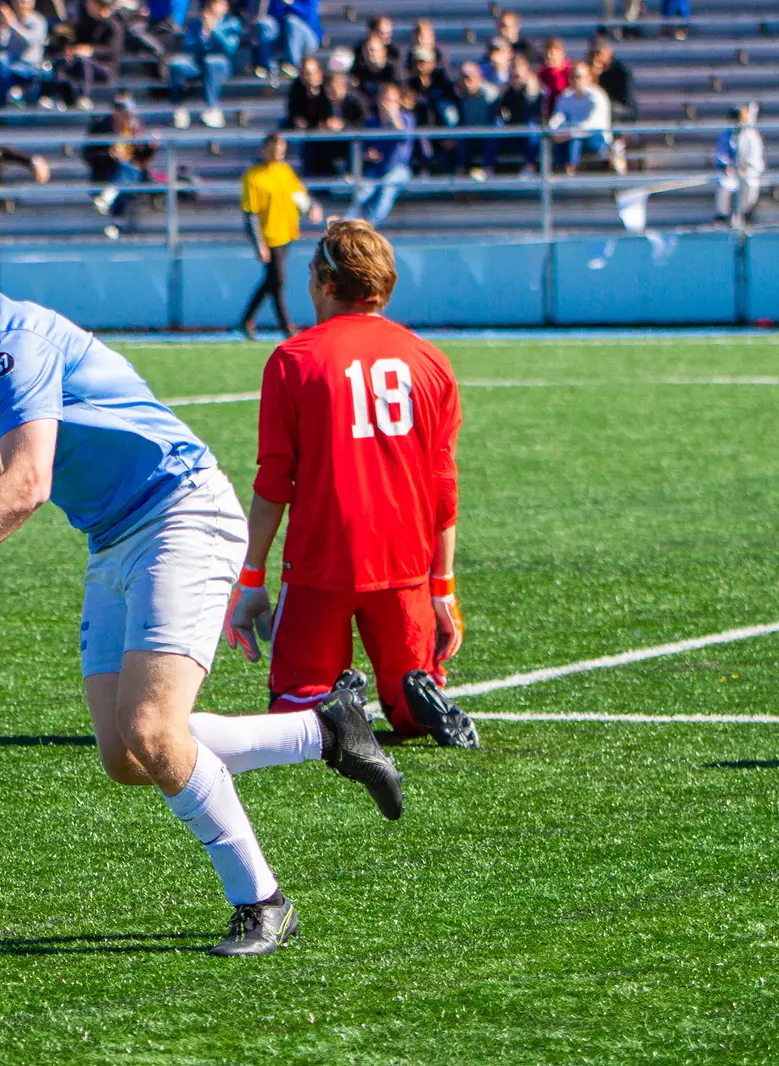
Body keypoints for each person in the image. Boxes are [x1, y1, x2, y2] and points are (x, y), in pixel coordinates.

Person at [0, 193, 403, 957]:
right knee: (126, 754)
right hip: (116, 535)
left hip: (181, 512)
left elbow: (28, 483)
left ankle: (263, 900)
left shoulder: (14, 343)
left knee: (152, 731)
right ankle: (324, 729)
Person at [228, 219, 477, 750]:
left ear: (323, 282)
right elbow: (443, 485)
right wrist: (444, 586)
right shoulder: (430, 360)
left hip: (323, 561)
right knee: (413, 707)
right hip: (406, 563)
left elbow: (275, 482)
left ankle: (335, 702)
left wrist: (251, 578)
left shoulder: (294, 359)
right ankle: (416, 696)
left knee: (297, 707)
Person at [239, 132, 320, 338]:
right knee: (278, 281)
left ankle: (246, 319)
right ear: (264, 149)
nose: (277, 153)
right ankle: (286, 326)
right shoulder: (254, 176)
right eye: (273, 149)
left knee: (271, 280)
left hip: (286, 233)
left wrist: (311, 207)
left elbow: (298, 195)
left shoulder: (284, 171)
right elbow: (250, 214)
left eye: (280, 149)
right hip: (269, 236)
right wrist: (258, 244)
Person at [85, 91, 155, 235]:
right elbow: (88, 154)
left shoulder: (136, 128)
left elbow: (143, 159)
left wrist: (151, 147)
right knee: (124, 178)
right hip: (108, 172)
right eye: (120, 109)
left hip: (135, 173)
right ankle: (115, 224)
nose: (125, 114)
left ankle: (108, 197)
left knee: (127, 171)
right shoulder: (100, 127)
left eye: (127, 110)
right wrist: (109, 155)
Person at [343, 82, 411, 226]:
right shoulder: (371, 122)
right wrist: (368, 155)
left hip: (398, 169)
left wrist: (393, 119)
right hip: (376, 169)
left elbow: (404, 136)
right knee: (362, 193)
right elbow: (362, 149)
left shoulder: (406, 119)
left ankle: (370, 225)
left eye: (392, 101)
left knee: (388, 186)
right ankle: (344, 224)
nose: (388, 105)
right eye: (385, 100)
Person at [167, 0, 241, 129]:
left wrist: (214, 30)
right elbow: (187, 46)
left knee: (212, 61)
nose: (214, 7)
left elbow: (229, 48)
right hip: (198, 62)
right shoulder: (196, 23)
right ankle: (179, 108)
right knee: (176, 64)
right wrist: (204, 32)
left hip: (220, 64)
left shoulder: (232, 24)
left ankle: (213, 108)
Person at [548, 62, 623, 175]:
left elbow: (594, 123)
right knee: (555, 141)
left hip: (596, 136)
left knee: (575, 140)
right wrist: (553, 131)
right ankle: (559, 171)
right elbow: (557, 118)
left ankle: (570, 168)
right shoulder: (565, 97)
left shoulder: (597, 96)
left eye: (578, 77)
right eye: (572, 76)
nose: (575, 80)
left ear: (588, 78)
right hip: (570, 136)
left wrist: (571, 132)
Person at [0, 0, 48, 107]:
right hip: (12, 65)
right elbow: (2, 43)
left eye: (25, 2)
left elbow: (30, 41)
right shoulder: (13, 20)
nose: (22, 5)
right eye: (19, 1)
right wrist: (3, 25)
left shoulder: (38, 21)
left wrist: (13, 24)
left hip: (31, 66)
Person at [715, 103, 764, 227]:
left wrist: (744, 168)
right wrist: (727, 166)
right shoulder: (725, 135)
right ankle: (722, 216)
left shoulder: (751, 136)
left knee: (750, 184)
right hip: (731, 172)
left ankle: (744, 214)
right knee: (724, 184)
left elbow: (754, 158)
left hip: (747, 172)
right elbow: (722, 154)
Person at [497, 53, 545, 175]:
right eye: (512, 75)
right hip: (513, 129)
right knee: (495, 128)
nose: (515, 78)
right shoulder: (508, 91)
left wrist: (528, 92)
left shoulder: (535, 92)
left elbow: (534, 113)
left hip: (528, 130)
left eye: (517, 75)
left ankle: (529, 166)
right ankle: (488, 168)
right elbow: (500, 111)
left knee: (531, 127)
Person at [251, 0, 320, 79]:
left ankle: (292, 65)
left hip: (308, 40)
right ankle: (267, 67)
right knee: (265, 23)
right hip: (283, 40)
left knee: (291, 21)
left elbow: (309, 16)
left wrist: (291, 3)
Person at [454, 62, 499, 180]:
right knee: (460, 140)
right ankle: (460, 176)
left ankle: (488, 171)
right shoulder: (459, 96)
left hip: (486, 134)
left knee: (492, 136)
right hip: (469, 133)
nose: (466, 83)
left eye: (470, 78)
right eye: (463, 78)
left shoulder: (490, 95)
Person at [587, 37, 636, 124]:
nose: (595, 58)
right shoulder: (587, 71)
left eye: (598, 53)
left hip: (615, 115)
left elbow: (628, 105)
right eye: (591, 54)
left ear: (608, 52)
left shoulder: (620, 72)